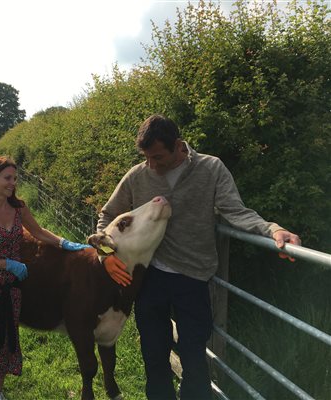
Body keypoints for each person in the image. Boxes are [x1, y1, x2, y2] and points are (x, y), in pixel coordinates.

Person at [97, 114, 300, 400]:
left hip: (193, 277)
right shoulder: (138, 174)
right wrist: (105, 254)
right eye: (146, 157)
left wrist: (272, 229)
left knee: (194, 357)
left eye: (157, 157)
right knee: (154, 355)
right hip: (149, 277)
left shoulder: (211, 168)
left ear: (179, 145)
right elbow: (106, 215)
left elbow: (236, 211)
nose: (151, 165)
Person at [0, 156, 90, 400]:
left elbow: (38, 232)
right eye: (7, 178)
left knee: (4, 341)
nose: (12, 183)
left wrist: (64, 243)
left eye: (15, 178)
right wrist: (7, 264)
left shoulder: (18, 209)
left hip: (10, 288)